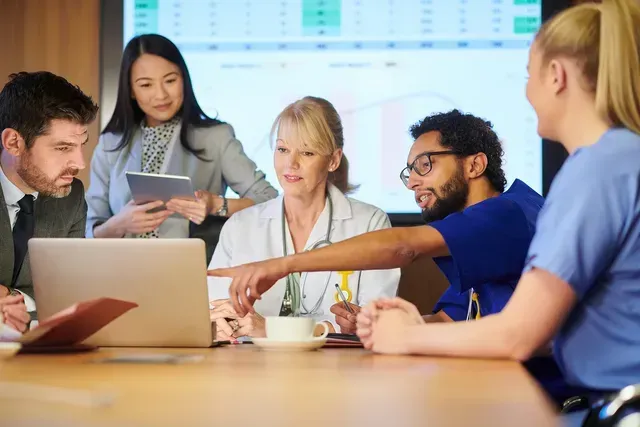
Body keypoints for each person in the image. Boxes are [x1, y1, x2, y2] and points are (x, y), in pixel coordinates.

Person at [355, 0, 640, 423]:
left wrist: (406, 337)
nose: (526, 91)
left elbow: (519, 335)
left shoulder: (595, 172)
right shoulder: (620, 158)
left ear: (557, 76)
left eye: (529, 74)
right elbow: (550, 331)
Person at [207, 109, 544, 326]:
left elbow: (404, 245)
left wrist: (284, 265)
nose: (412, 181)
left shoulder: (508, 214)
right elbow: (446, 319)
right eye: (409, 171)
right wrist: (368, 324)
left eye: (425, 165)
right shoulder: (480, 239)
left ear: (474, 165)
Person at [207, 96, 400, 339]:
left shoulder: (370, 223)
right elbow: (213, 309)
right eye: (283, 149)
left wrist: (272, 330)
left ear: (333, 160)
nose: (291, 163)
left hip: (340, 370)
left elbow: (377, 324)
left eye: (307, 152)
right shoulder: (240, 226)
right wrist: (221, 324)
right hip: (250, 368)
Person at [86, 34, 277, 257]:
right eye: (146, 84)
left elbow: (269, 199)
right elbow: (89, 231)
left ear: (184, 80)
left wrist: (216, 204)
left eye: (170, 80)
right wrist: (120, 224)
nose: (161, 94)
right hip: (122, 271)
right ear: (130, 90)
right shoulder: (111, 144)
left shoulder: (215, 137)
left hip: (195, 270)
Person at [0, 71, 99, 328]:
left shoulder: (71, 195)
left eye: (81, 145)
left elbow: (67, 291)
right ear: (13, 142)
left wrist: (14, 299)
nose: (80, 163)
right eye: (63, 148)